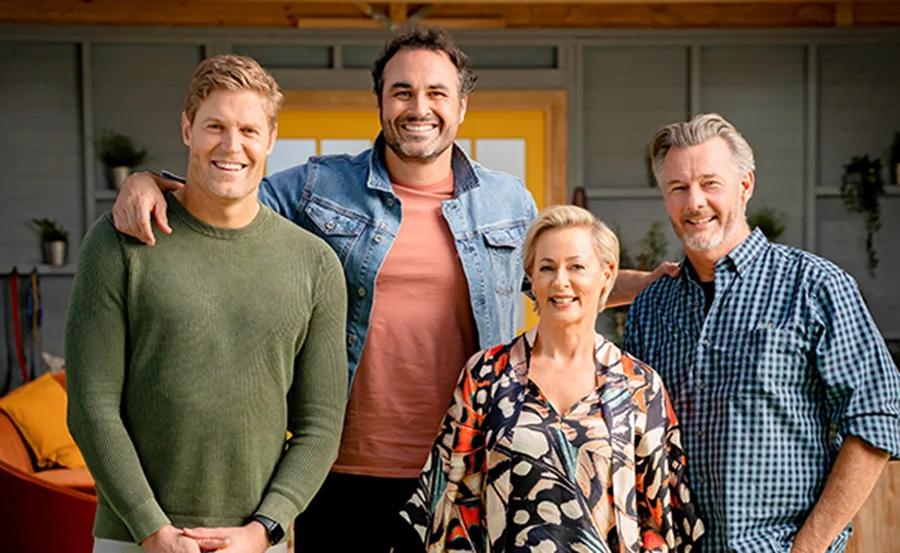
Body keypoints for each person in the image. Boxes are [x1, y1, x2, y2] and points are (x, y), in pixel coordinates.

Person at [111, 27, 675, 551]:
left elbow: (560, 280)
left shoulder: (508, 201)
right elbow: (224, 196)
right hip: (338, 472)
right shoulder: (318, 186)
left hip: (466, 467)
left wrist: (642, 284)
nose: (419, 107)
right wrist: (150, 180)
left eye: (436, 92)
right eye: (401, 92)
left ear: (460, 106)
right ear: (380, 102)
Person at [65, 54, 348, 553]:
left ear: (271, 139)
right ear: (186, 128)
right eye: (214, 125)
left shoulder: (316, 264)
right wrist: (150, 528)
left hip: (254, 543)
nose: (231, 146)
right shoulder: (119, 243)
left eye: (248, 130)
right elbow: (92, 405)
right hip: (133, 538)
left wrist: (265, 528)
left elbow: (320, 424)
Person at [623, 113, 900, 552]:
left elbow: (875, 421)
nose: (694, 202)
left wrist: (808, 548)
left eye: (710, 183)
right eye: (678, 188)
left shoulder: (814, 287)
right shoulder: (651, 308)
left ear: (745, 186)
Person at [399, 205, 703, 552]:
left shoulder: (639, 385)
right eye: (547, 267)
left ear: (606, 274)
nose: (561, 281)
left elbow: (661, 517)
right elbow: (447, 502)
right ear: (531, 275)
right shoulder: (486, 375)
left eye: (576, 266)